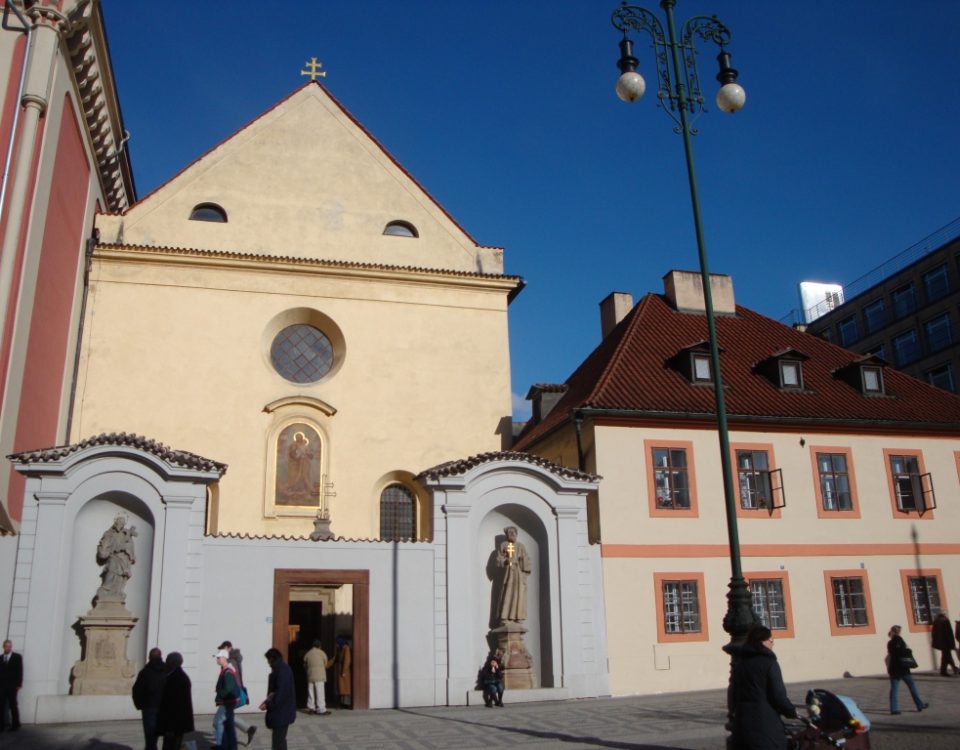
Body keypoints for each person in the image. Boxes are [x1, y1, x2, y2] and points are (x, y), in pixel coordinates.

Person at [729, 624, 797, 750]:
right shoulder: (769, 664)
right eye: (770, 639)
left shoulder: (740, 664)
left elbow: (733, 694)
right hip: (765, 725)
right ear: (762, 642)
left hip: (742, 725)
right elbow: (778, 696)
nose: (772, 643)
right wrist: (790, 711)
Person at [214, 641, 256, 746]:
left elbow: (232, 679)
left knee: (220, 720)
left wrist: (222, 694)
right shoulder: (233, 659)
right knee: (227, 717)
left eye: (223, 648)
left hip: (231, 695)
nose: (220, 651)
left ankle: (222, 743)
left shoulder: (231, 661)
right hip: (233, 693)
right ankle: (246, 730)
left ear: (228, 648)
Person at [259, 648, 296, 750]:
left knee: (278, 741)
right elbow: (274, 693)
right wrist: (266, 702)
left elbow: (280, 693)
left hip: (281, 712)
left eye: (268, 660)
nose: (267, 663)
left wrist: (268, 705)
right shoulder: (281, 669)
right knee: (279, 740)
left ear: (271, 659)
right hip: (282, 712)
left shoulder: (282, 671)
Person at [887, 625, 928, 714]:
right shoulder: (899, 640)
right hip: (902, 668)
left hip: (893, 668)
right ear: (899, 631)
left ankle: (893, 709)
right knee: (912, 686)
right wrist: (909, 651)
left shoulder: (890, 642)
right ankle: (919, 704)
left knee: (894, 689)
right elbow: (901, 652)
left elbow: (892, 653)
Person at [157, 652, 193, 750]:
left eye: (167, 660)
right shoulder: (178, 676)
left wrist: (170, 727)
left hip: (174, 724)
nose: (166, 662)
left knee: (171, 746)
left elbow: (175, 705)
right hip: (176, 723)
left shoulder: (176, 679)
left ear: (172, 663)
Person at [132, 647, 167, 750]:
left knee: (150, 737)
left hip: (149, 706)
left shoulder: (145, 672)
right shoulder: (167, 670)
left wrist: (139, 705)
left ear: (149, 657)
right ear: (161, 656)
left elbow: (137, 690)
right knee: (166, 735)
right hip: (164, 706)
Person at [496, 526, 531, 624]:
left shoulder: (521, 546)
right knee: (507, 592)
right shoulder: (504, 545)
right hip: (508, 573)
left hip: (518, 573)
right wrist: (506, 560)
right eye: (509, 532)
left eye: (513, 532)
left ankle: (518, 616)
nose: (512, 534)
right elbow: (498, 560)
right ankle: (504, 617)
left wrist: (521, 559)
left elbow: (527, 560)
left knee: (518, 594)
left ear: (516, 534)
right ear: (507, 534)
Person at [97, 514, 137, 599]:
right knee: (110, 573)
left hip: (123, 559)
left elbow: (130, 544)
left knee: (121, 577)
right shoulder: (109, 533)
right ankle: (105, 591)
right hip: (113, 557)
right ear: (115, 523)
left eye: (123, 523)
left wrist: (128, 540)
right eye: (119, 522)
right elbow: (105, 545)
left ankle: (117, 593)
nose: (121, 525)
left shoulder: (126, 533)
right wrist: (115, 548)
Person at [215, 649, 241, 750]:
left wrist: (220, 695)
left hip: (227, 702)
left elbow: (228, 687)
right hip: (228, 702)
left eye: (218, 658)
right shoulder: (226, 669)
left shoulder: (228, 671)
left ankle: (221, 745)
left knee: (218, 723)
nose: (217, 660)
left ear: (224, 658)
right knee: (228, 725)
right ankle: (228, 746)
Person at [303, 640, 333, 715]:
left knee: (311, 693)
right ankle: (321, 709)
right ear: (319, 646)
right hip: (319, 676)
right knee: (320, 693)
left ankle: (311, 708)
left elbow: (304, 665)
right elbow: (326, 664)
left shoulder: (308, 654)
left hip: (310, 676)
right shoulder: (322, 653)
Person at [0, 640, 23, 732]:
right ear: (3, 647)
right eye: (6, 646)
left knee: (13, 705)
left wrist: (19, 684)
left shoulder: (17, 657)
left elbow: (20, 670)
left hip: (12, 686)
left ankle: (16, 724)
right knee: (0, 705)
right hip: (1, 686)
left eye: (10, 646)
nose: (8, 648)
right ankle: (1, 725)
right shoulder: (1, 658)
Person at [931, 612, 957, 676]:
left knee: (945, 657)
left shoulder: (936, 621)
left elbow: (933, 633)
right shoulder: (945, 621)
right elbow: (949, 633)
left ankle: (945, 670)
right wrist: (952, 644)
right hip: (946, 643)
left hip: (940, 643)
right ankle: (954, 669)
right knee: (947, 656)